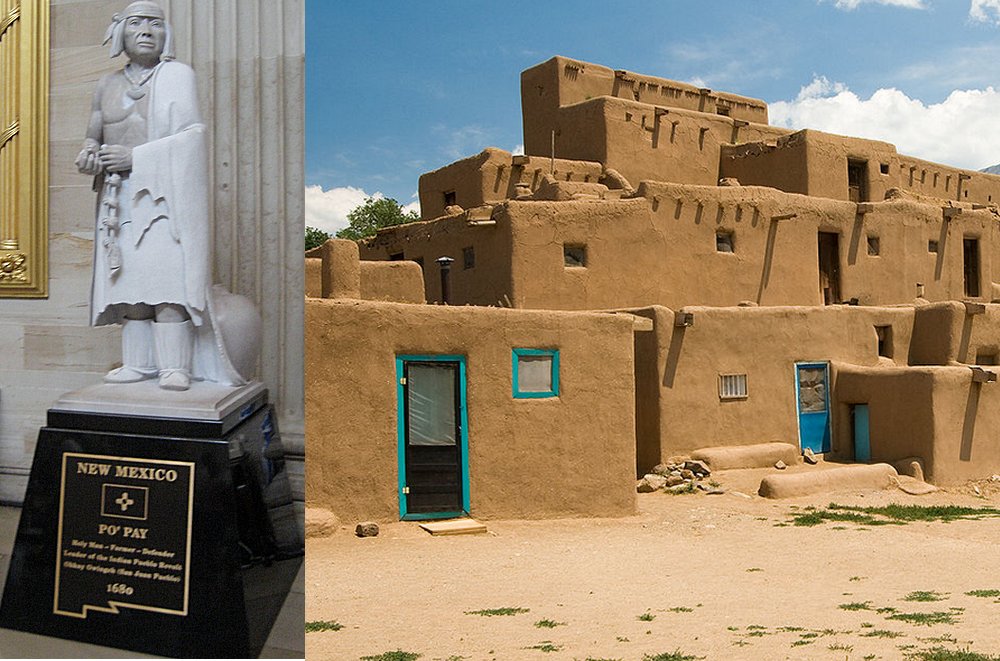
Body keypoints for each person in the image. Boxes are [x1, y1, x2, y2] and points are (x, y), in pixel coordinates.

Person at [76, 1, 210, 391]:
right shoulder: (106, 85)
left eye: (155, 23)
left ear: (166, 34)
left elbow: (192, 138)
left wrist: (137, 156)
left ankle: (174, 367)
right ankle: (139, 363)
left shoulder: (179, 76)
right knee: (130, 285)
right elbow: (94, 134)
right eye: (137, 23)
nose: (147, 31)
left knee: (167, 283)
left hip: (165, 196)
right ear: (121, 32)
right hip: (118, 198)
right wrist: (89, 155)